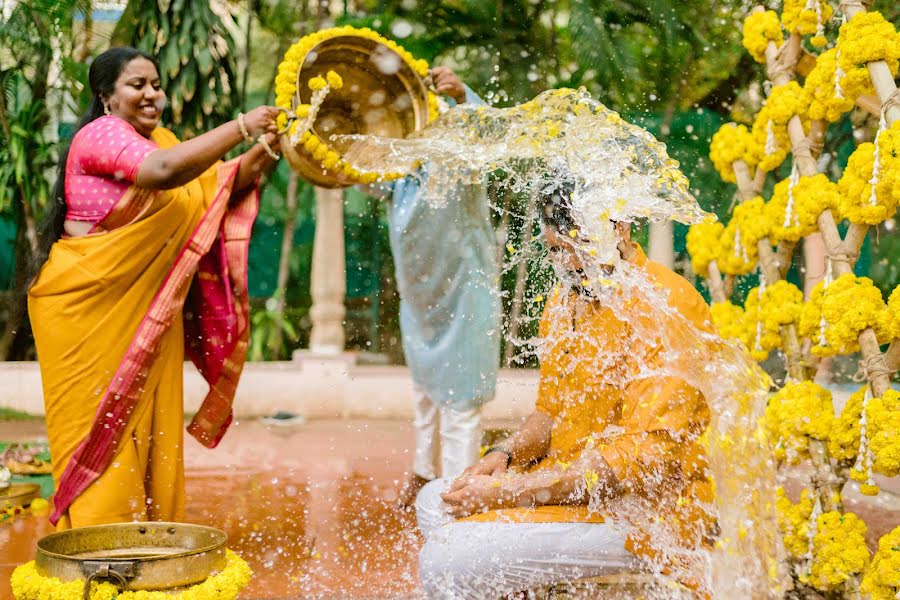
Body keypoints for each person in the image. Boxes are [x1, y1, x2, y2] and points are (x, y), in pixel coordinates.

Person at [415, 180, 717, 597]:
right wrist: (502, 457)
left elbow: (639, 465)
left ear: (621, 228)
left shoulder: (664, 305)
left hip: (645, 517)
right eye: (558, 249)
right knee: (436, 500)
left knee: (444, 557)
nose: (572, 264)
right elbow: (550, 414)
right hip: (577, 497)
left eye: (583, 245)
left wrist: (510, 492)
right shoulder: (563, 302)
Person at [28, 47, 281, 529]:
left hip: (145, 311)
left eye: (156, 85)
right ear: (106, 96)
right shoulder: (100, 135)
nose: (151, 94)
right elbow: (163, 172)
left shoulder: (163, 140)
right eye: (136, 84)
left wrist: (275, 144)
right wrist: (243, 126)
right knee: (101, 428)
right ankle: (100, 550)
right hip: (88, 311)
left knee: (147, 431)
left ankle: (148, 544)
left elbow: (222, 185)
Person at [382, 67, 501, 506]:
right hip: (421, 294)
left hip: (466, 289)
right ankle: (421, 471)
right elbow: (362, 175)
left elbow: (492, 137)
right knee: (424, 390)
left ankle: (458, 497)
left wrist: (463, 94)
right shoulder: (400, 155)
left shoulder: (459, 141)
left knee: (461, 403)